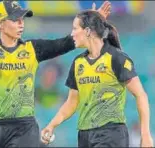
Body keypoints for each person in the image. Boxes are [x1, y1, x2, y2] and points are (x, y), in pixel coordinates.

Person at [0, 0, 111, 147]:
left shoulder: (32, 49)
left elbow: (65, 43)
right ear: (0, 24)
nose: (21, 23)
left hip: (24, 127)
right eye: (15, 20)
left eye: (23, 19)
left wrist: (92, 24)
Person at [41, 11, 154, 147]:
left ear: (88, 31)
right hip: (84, 136)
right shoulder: (78, 63)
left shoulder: (116, 58)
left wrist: (146, 134)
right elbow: (72, 102)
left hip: (110, 133)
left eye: (75, 29)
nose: (72, 34)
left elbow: (140, 95)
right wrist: (51, 125)